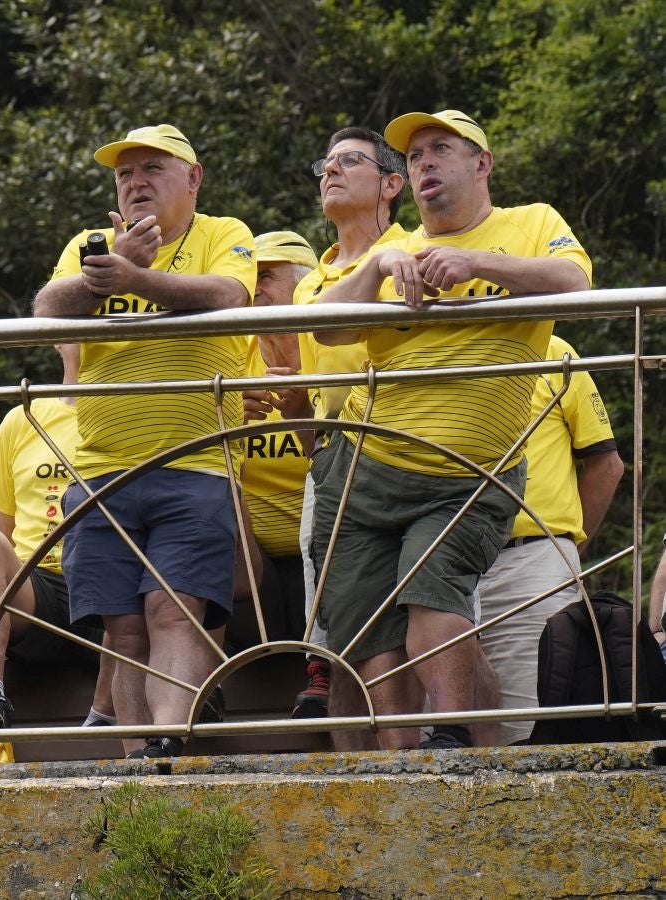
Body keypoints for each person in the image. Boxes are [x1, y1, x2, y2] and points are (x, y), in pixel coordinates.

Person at [313, 109, 592, 749]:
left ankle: (451, 748)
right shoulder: (395, 249)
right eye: (414, 157)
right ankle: (406, 770)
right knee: (368, 633)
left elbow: (575, 283)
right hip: (360, 471)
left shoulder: (532, 223)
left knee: (433, 599)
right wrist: (376, 269)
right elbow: (322, 328)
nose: (424, 164)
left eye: (440, 149)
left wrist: (475, 263)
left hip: (468, 476)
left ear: (481, 163)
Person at [32, 124, 255, 759]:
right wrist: (107, 271)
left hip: (197, 461)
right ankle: (138, 764)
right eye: (124, 173)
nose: (136, 182)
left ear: (193, 178)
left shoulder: (223, 233)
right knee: (123, 629)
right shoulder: (92, 245)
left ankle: (170, 745)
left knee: (174, 610)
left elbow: (228, 295)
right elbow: (46, 308)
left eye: (153, 169)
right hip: (100, 469)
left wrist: (133, 277)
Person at [290, 127, 410, 737]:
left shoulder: (416, 252)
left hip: (411, 451)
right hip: (333, 460)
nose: (330, 171)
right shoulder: (308, 282)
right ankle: (357, 769)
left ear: (391, 184)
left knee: (433, 624)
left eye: (350, 161)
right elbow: (313, 395)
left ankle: (447, 757)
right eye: (326, 163)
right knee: (338, 633)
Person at [0, 344, 110, 731]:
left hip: (109, 578)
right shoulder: (22, 419)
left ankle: (107, 716)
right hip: (39, 586)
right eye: (75, 320)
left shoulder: (140, 415)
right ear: (55, 337)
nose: (87, 331)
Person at [477, 335, 622, 744]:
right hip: (432, 562)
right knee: (435, 731)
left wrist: (562, 549)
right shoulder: (417, 348)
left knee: (531, 729)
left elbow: (606, 465)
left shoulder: (555, 351)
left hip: (532, 561)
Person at [232, 232, 318, 660]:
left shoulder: (335, 349)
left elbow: (350, 458)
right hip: (249, 563)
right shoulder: (231, 355)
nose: (254, 288)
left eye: (266, 276)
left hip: (328, 549)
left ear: (305, 287)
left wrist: (301, 412)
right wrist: (226, 420)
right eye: (249, 277)